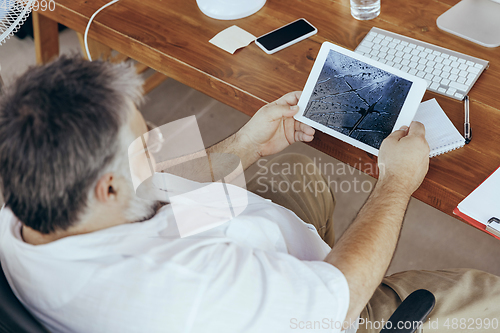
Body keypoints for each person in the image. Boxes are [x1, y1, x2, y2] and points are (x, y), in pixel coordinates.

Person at [0, 55, 498, 333]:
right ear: (107, 188)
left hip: (214, 234)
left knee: (297, 169)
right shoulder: (188, 291)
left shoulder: (31, 192)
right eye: (147, 142)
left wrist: (246, 145)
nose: (160, 139)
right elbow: (336, 300)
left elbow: (155, 187)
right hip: (321, 312)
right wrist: (396, 183)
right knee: (490, 302)